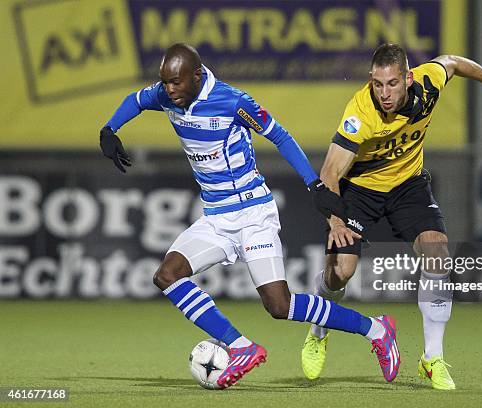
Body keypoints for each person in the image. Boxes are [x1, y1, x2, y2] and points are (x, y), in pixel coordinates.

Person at [99, 43, 400, 389]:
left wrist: (315, 185)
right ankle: (240, 346)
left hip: (253, 214)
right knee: (167, 275)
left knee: (279, 305)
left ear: (197, 76)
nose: (169, 90)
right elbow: (136, 101)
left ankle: (376, 329)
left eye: (176, 83)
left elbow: (280, 136)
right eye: (165, 83)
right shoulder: (168, 94)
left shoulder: (232, 101)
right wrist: (109, 129)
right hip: (216, 218)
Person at [301, 43, 482, 390]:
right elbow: (330, 172)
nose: (384, 93)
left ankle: (432, 358)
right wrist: (335, 221)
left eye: (392, 83)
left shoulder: (427, 83)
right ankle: (318, 331)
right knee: (340, 274)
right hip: (361, 191)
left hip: (408, 185)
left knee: (437, 252)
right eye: (378, 84)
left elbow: (453, 62)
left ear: (407, 78)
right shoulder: (360, 112)